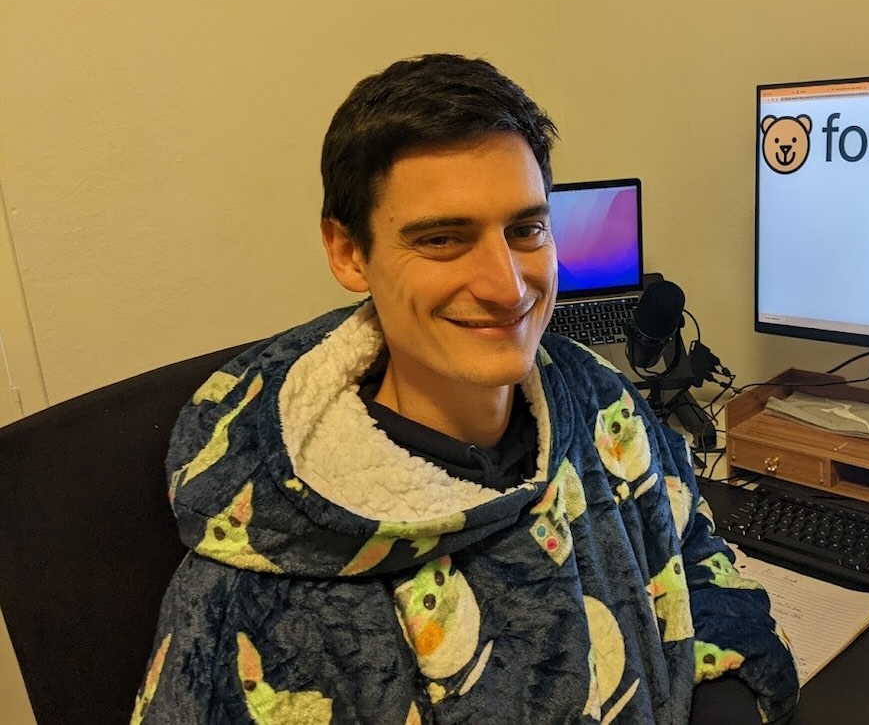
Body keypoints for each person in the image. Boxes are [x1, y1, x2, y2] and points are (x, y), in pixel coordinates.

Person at [131, 53, 798, 724]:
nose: (507, 287)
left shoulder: (598, 402)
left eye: (526, 229)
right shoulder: (253, 596)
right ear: (348, 252)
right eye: (444, 239)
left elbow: (691, 547)